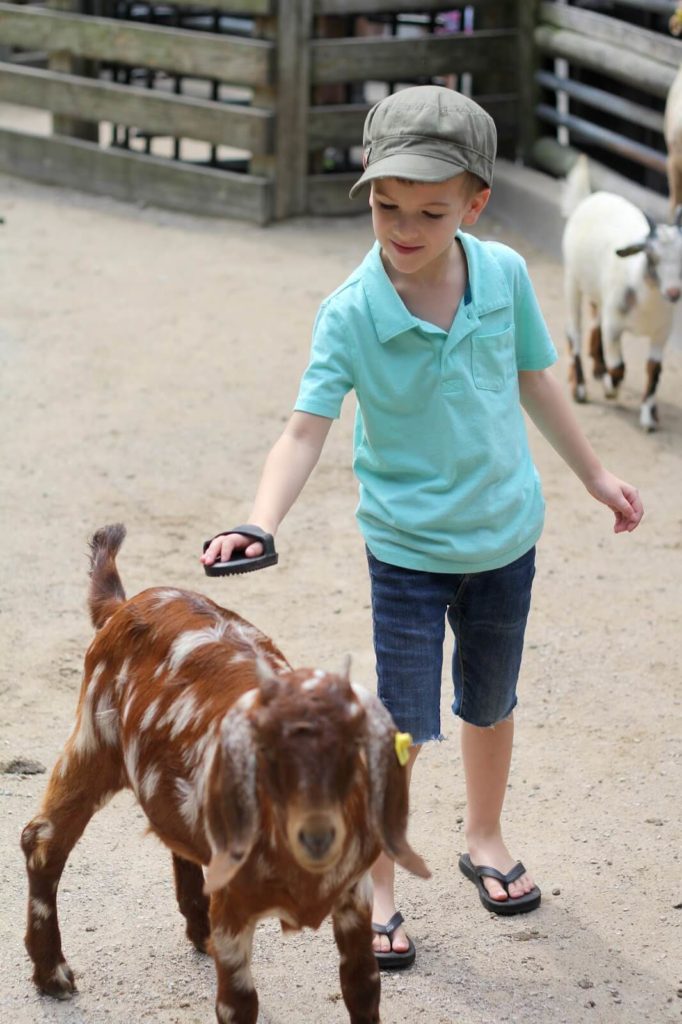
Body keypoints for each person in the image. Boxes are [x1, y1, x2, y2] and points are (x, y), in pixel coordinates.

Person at [202, 85, 643, 970]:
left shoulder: (506, 276)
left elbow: (536, 379)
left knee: (490, 702)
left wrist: (595, 474)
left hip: (505, 539)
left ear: (475, 204)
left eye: (430, 210)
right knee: (399, 723)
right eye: (385, 204)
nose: (403, 226)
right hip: (407, 551)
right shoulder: (352, 311)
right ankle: (380, 885)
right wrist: (260, 519)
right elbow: (304, 428)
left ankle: (484, 837)